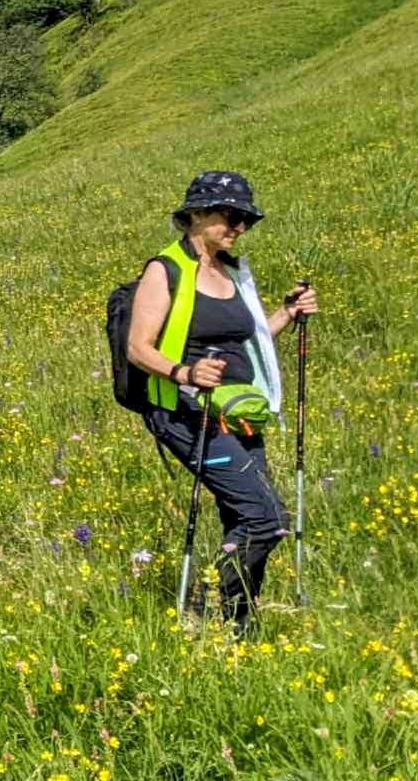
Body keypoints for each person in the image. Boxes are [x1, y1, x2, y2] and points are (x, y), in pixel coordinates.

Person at [126, 171, 317, 635]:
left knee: (244, 516)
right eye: (228, 216)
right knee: (265, 519)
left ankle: (239, 625)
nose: (238, 226)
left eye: (244, 219)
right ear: (195, 215)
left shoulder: (232, 271)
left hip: (240, 413)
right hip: (185, 413)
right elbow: (138, 347)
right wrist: (183, 372)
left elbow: (250, 344)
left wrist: (287, 314)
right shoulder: (166, 269)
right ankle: (206, 607)